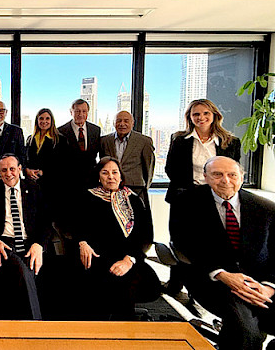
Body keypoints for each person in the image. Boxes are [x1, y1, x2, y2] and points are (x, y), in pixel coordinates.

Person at [170, 156, 275, 350]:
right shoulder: (185, 203)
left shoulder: (267, 208)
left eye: (232, 175)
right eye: (217, 174)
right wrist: (223, 274)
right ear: (205, 177)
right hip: (213, 280)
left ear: (242, 178)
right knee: (246, 331)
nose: (225, 180)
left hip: (261, 282)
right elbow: (184, 245)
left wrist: (269, 286)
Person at [164, 98, 241, 294]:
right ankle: (176, 283)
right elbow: (171, 169)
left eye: (206, 113)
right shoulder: (180, 139)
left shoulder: (229, 141)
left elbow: (233, 172)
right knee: (180, 242)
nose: (201, 118)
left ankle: (207, 283)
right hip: (185, 198)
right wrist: (192, 192)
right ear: (190, 117)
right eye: (196, 114)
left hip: (216, 197)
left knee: (210, 242)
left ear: (214, 115)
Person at [73, 156, 158, 320]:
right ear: (99, 176)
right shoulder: (87, 197)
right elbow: (76, 226)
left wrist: (129, 259)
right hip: (96, 256)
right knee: (104, 285)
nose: (110, 177)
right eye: (105, 173)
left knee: (127, 282)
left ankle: (124, 334)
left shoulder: (134, 200)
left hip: (129, 257)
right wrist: (82, 242)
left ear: (121, 176)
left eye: (114, 172)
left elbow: (145, 236)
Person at [0, 153, 51, 320]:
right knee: (20, 268)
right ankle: (35, 325)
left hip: (29, 244)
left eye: (12, 169)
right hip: (4, 243)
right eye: (4, 170)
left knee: (29, 270)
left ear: (20, 169)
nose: (8, 173)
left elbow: (46, 222)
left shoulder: (34, 189)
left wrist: (39, 245)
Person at [100, 110, 155, 211]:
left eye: (126, 121)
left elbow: (149, 168)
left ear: (132, 123)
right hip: (111, 189)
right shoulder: (105, 141)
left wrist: (144, 188)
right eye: (119, 121)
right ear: (114, 123)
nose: (122, 124)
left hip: (135, 189)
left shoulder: (144, 141)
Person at [24, 108, 68, 232]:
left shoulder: (60, 140)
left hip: (50, 187)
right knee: (33, 219)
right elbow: (25, 160)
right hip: (32, 186)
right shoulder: (30, 138)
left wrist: (44, 172)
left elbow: (62, 165)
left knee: (47, 221)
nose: (44, 121)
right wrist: (26, 170)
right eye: (41, 118)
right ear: (37, 121)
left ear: (52, 121)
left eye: (47, 118)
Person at [58, 99, 101, 189]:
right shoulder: (60, 131)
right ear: (71, 112)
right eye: (77, 111)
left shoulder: (95, 130)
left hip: (91, 181)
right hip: (68, 181)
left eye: (84, 111)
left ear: (88, 112)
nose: (81, 114)